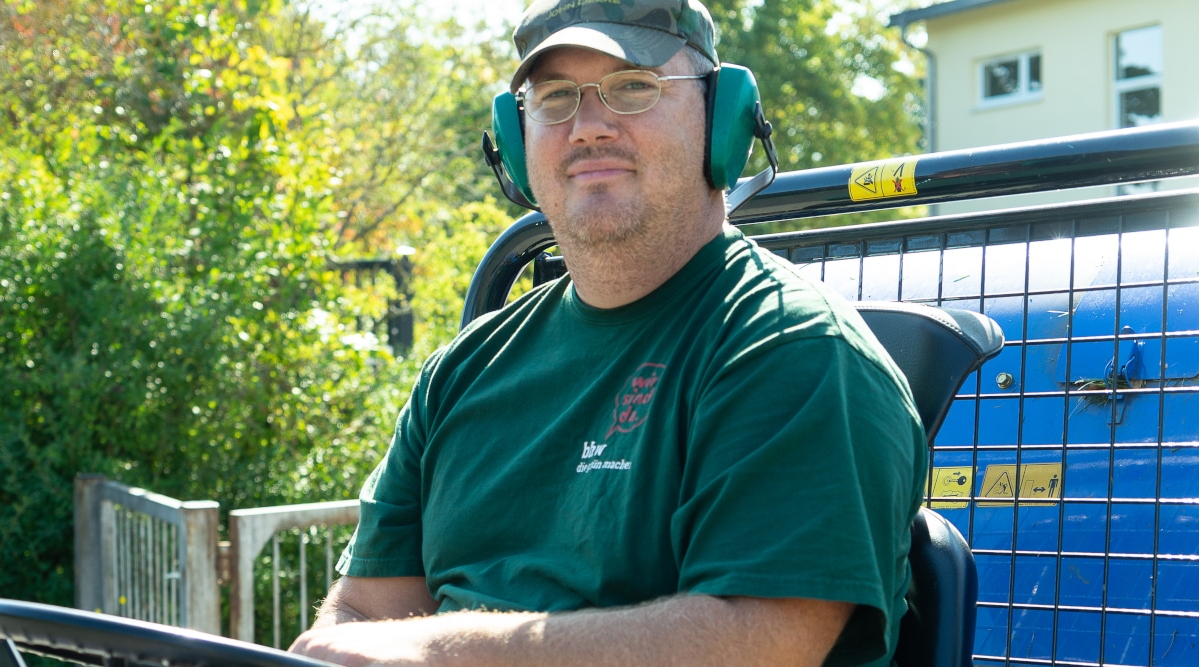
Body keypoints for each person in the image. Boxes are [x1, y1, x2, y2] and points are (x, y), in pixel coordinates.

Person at [289, 1, 926, 665]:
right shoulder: (461, 372)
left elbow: (756, 644)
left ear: (722, 117)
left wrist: (442, 650)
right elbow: (362, 610)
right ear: (514, 135)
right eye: (555, 97)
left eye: (633, 86)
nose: (589, 127)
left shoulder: (794, 350)